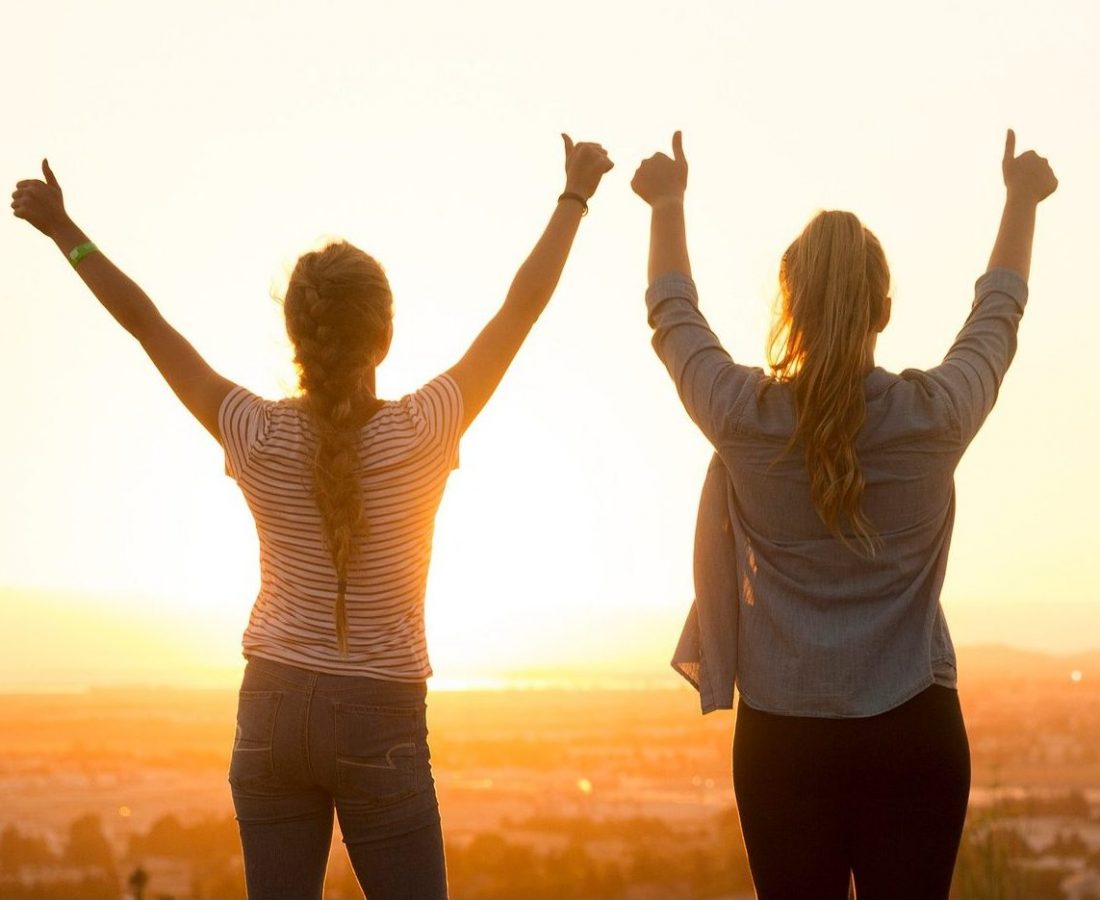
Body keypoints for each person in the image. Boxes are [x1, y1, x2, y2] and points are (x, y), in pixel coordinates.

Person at [11, 134, 613, 900]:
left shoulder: (254, 432)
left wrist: (65, 229)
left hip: (271, 711)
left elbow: (148, 326)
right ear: (384, 337)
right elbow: (520, 309)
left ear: (296, 335)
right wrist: (574, 195)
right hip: (380, 718)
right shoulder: (426, 430)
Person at [631, 129, 1056, 899]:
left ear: (788, 306)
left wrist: (666, 203)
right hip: (915, 733)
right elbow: (999, 317)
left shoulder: (745, 418)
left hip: (783, 744)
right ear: (885, 310)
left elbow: (674, 320)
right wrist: (1021, 198)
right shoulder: (935, 418)